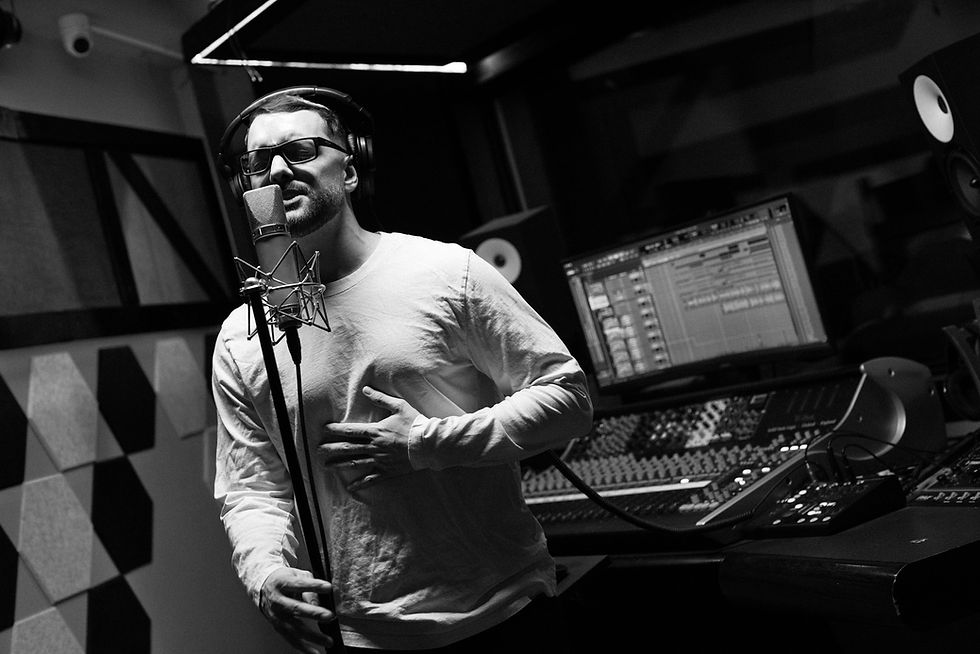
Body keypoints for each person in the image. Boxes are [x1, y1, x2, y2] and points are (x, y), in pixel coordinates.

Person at [211, 88, 594, 653]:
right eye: (258, 160)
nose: (277, 170)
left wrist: (425, 443)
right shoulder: (241, 338)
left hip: (502, 611)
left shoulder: (446, 273)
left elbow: (568, 399)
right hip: (364, 636)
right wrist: (264, 572)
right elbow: (252, 487)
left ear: (351, 168)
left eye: (301, 150)